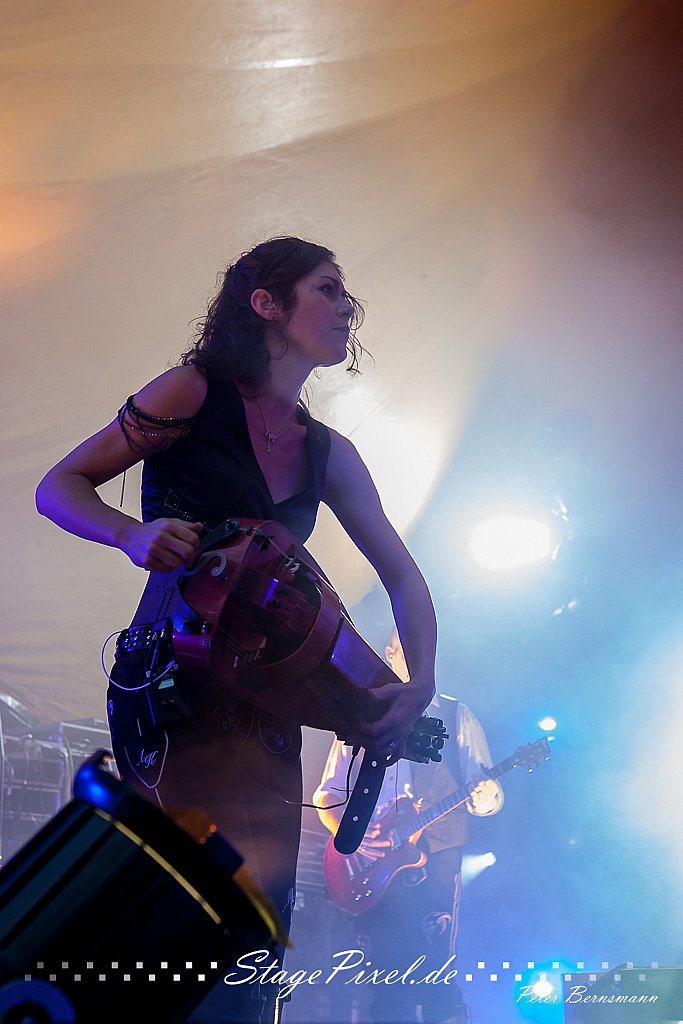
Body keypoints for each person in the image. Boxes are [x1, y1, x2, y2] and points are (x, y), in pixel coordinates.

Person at [35, 236, 438, 1023]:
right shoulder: (190, 392)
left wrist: (419, 682)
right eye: (327, 289)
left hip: (264, 705)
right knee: (175, 892)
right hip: (169, 685)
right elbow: (59, 486)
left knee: (257, 907)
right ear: (266, 304)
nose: (347, 307)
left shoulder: (329, 453)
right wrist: (129, 534)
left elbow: (403, 576)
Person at [314, 629, 503, 1024]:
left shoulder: (456, 715)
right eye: (403, 648)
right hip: (371, 867)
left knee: (437, 972)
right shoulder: (359, 719)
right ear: (389, 653)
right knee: (384, 980)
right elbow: (326, 796)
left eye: (420, 648)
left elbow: (486, 797)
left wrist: (486, 793)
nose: (415, 656)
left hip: (436, 857)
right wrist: (354, 840)